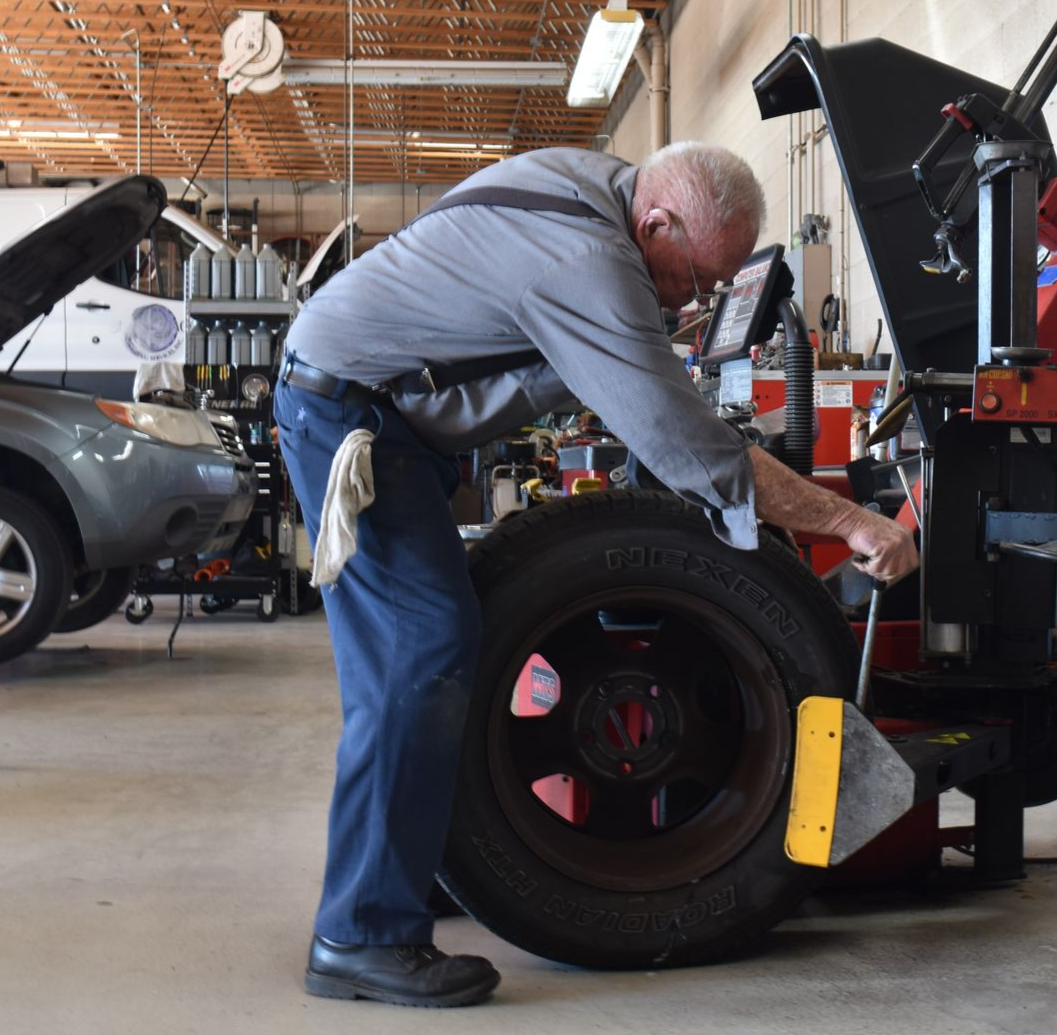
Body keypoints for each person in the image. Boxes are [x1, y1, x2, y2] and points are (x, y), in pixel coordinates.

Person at [274, 141, 918, 1008]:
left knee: (423, 649)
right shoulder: (589, 260)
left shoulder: (598, 187)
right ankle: (360, 936)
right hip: (351, 416)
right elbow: (686, 444)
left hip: (389, 415)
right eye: (693, 278)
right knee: (418, 654)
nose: (692, 302)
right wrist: (848, 519)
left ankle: (405, 863)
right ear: (655, 223)